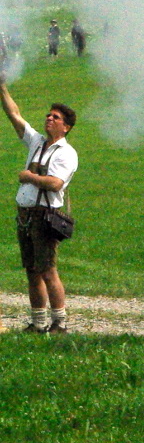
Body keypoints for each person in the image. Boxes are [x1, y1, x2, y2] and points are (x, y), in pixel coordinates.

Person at [0, 74, 78, 334]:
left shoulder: (66, 153)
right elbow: (14, 114)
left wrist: (29, 177)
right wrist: (2, 86)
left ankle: (59, 322)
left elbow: (56, 184)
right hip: (26, 214)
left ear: (66, 127)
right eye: (48, 115)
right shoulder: (36, 142)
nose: (49, 118)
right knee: (32, 270)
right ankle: (38, 322)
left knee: (48, 270)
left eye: (56, 117)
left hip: (45, 214)